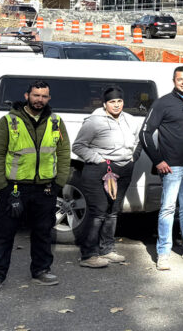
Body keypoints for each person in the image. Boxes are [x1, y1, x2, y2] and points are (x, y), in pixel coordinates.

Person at [0, 81, 70, 295]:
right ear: (27, 95)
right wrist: (1, 186)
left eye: (44, 96)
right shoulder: (9, 121)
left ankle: (41, 270)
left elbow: (63, 153)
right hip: (14, 188)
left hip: (45, 188)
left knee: (42, 232)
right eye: (36, 95)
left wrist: (59, 182)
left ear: (49, 98)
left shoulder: (56, 122)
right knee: (4, 233)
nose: (39, 99)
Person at [140, 66, 183, 271]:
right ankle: (163, 253)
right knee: (168, 209)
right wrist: (157, 160)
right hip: (171, 166)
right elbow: (145, 133)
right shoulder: (162, 103)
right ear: (174, 81)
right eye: (180, 79)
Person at [70, 86, 137, 269]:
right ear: (105, 104)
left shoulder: (130, 120)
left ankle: (107, 249)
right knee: (98, 211)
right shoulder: (94, 121)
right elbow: (78, 146)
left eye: (119, 101)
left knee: (113, 211)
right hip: (100, 170)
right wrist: (98, 160)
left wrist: (133, 157)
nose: (116, 105)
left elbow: (137, 141)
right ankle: (89, 254)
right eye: (112, 102)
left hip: (123, 170)